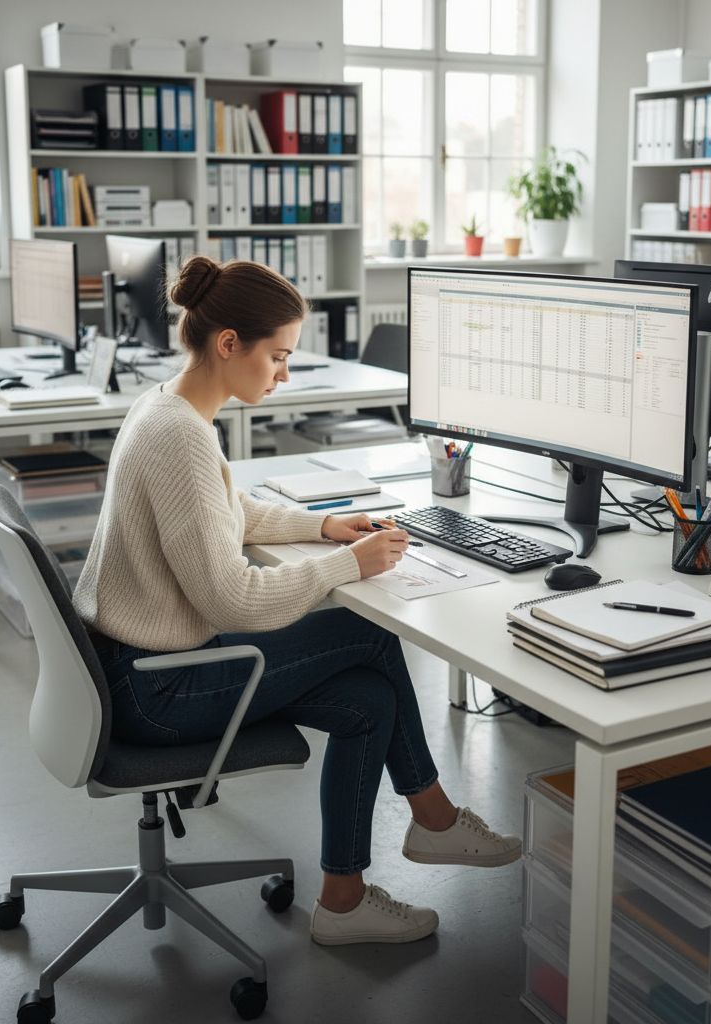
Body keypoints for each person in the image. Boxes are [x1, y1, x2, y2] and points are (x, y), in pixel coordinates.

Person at [73, 256, 520, 946]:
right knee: (370, 637)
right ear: (229, 345)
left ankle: (343, 900)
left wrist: (320, 527)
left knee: (369, 703)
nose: (285, 373)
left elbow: (226, 511)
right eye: (278, 356)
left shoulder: (166, 407)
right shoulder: (182, 439)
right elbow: (232, 600)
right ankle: (434, 819)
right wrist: (347, 563)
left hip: (138, 668)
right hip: (156, 691)